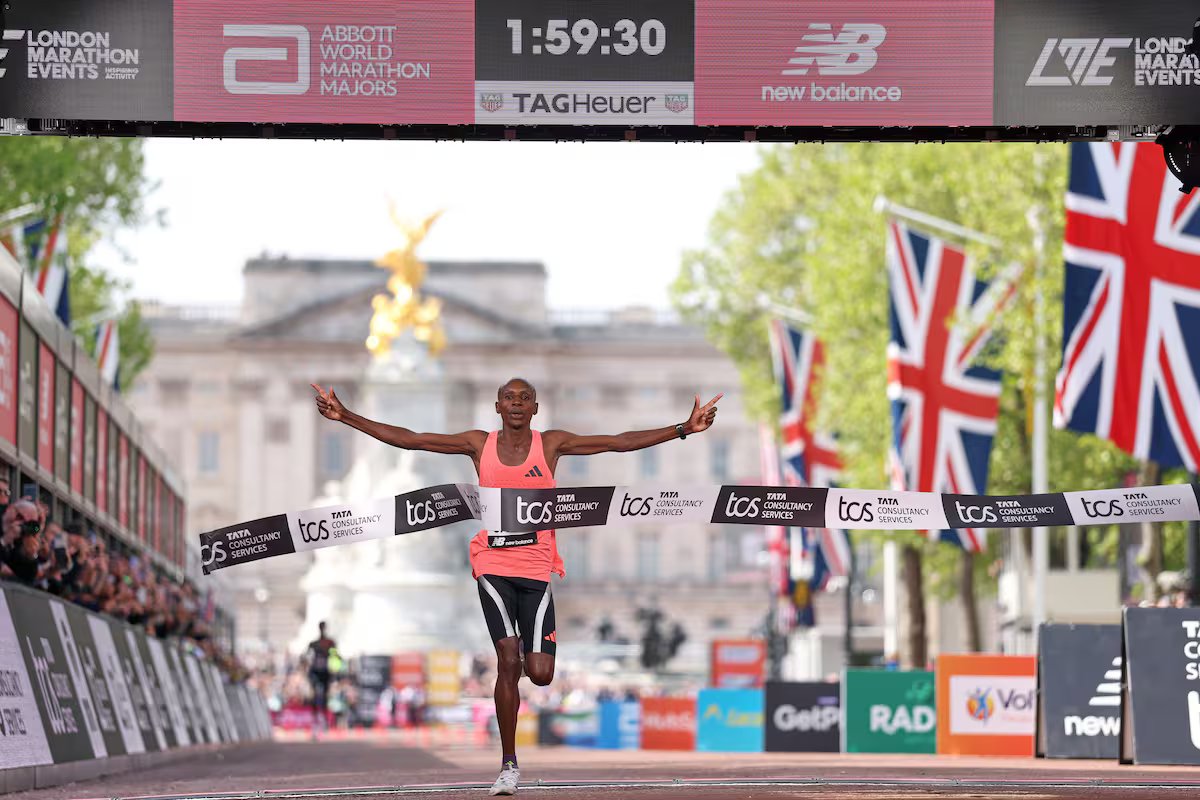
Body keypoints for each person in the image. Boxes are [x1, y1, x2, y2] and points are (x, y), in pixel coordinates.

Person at [312, 377, 720, 795]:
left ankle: (523, 660)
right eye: (509, 398)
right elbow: (412, 439)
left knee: (540, 674)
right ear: (498, 406)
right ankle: (509, 764)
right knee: (508, 660)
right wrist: (347, 417)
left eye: (525, 398)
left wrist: (683, 428)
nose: (517, 404)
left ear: (535, 408)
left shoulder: (552, 444)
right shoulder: (478, 444)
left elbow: (618, 442)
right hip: (492, 563)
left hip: (537, 568)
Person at [305, 621, 337, 737]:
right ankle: (315, 720)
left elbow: (335, 655)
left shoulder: (330, 643)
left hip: (325, 672)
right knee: (314, 696)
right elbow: (306, 656)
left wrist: (334, 669)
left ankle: (323, 719)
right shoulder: (313, 643)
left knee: (325, 696)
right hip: (315, 672)